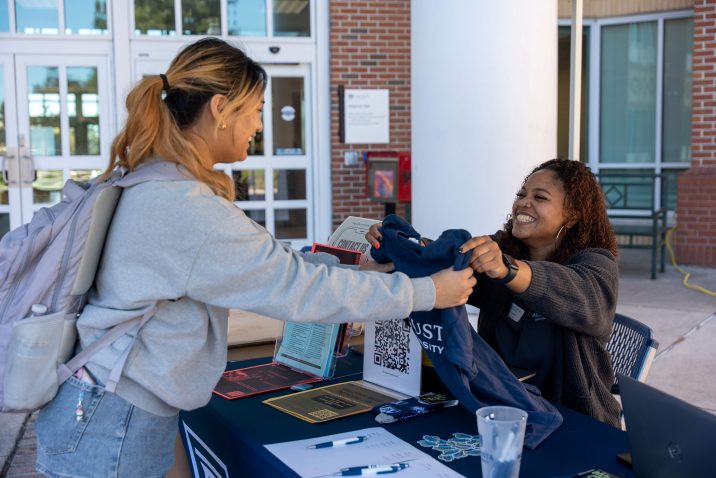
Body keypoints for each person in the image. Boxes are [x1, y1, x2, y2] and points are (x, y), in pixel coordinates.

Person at [34, 38, 475, 478]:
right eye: (258, 108)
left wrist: (356, 268)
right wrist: (427, 291)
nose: (260, 124)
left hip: (105, 407)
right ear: (221, 109)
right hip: (111, 424)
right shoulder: (185, 207)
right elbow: (296, 288)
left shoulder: (156, 183)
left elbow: (265, 261)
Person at [366, 159, 622, 427]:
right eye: (521, 194)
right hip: (499, 410)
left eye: (540, 197)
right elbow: (449, 264)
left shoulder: (596, 263)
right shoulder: (502, 249)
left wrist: (507, 269)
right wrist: (405, 247)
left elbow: (581, 296)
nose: (523, 202)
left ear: (572, 216)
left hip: (576, 422)